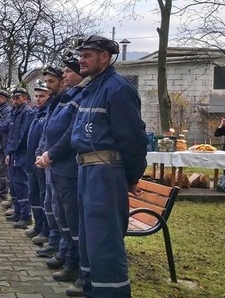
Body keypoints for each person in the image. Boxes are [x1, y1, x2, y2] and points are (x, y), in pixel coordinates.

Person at [70, 35, 148, 297]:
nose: (81, 59)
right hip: (87, 172)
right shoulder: (92, 88)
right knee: (89, 235)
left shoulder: (117, 88)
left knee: (104, 238)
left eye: (87, 55)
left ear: (105, 57)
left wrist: (132, 175)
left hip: (105, 174)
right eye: (81, 54)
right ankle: (92, 288)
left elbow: (134, 137)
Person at [36, 58, 88, 283]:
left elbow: (70, 133)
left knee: (71, 217)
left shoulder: (78, 97)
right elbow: (51, 131)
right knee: (60, 213)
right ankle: (66, 254)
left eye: (68, 71)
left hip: (68, 167)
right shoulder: (65, 98)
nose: (64, 75)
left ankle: (74, 263)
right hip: (56, 165)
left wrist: (51, 154)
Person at [0, 88, 33, 229]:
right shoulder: (14, 112)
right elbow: (4, 127)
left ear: (25, 98)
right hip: (11, 153)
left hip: (20, 153)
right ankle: (18, 212)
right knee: (14, 184)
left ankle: (26, 216)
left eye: (18, 98)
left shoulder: (27, 112)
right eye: (13, 98)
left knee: (22, 185)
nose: (14, 100)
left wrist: (12, 152)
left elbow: (22, 135)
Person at [34, 66, 65, 259]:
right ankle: (54, 242)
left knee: (57, 208)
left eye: (51, 82)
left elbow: (66, 135)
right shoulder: (55, 104)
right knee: (49, 204)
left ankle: (60, 248)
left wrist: (49, 154)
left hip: (58, 163)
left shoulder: (64, 103)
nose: (48, 86)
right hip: (47, 163)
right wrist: (39, 153)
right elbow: (46, 135)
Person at [24, 81, 51, 242]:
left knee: (43, 197)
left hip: (42, 162)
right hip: (31, 161)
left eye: (42, 96)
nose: (38, 99)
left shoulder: (48, 113)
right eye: (37, 96)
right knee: (33, 194)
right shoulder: (37, 113)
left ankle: (46, 230)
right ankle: (38, 225)